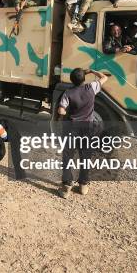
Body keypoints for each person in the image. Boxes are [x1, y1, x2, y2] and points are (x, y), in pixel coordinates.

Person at [56, 68, 108, 198]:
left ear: (71, 80)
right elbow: (104, 78)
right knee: (85, 157)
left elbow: (61, 110)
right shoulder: (91, 87)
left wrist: (63, 114)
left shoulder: (68, 93)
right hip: (88, 129)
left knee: (68, 157)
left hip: (72, 129)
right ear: (84, 79)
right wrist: (92, 71)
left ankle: (66, 187)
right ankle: (83, 186)